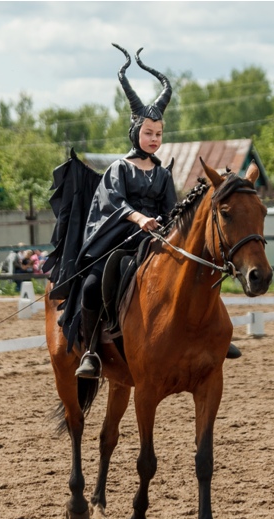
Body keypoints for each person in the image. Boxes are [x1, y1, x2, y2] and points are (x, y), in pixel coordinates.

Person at [72, 45, 178, 379]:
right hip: (120, 238)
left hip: (157, 237)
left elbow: (172, 210)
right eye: (148, 133)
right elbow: (114, 202)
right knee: (92, 286)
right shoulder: (119, 168)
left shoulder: (163, 174)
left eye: (158, 134)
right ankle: (91, 352)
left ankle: (208, 335)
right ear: (135, 132)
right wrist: (140, 218)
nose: (154, 139)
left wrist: (166, 224)